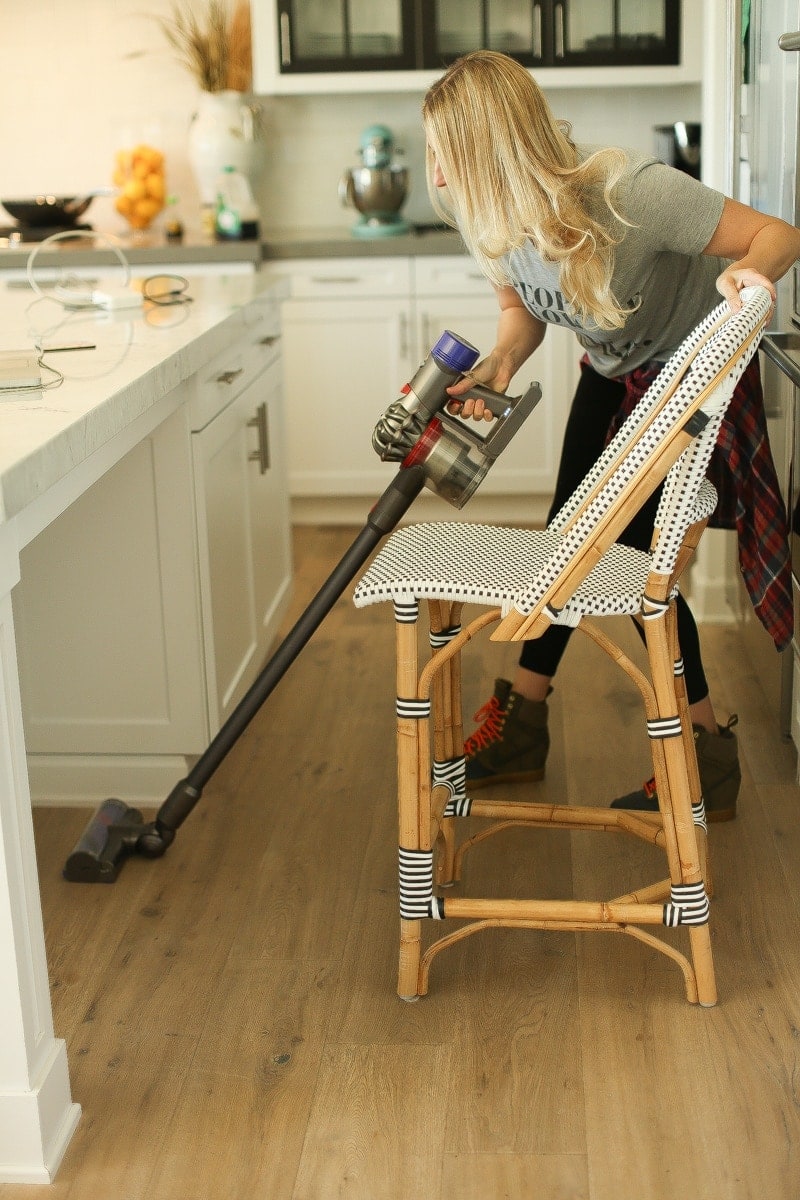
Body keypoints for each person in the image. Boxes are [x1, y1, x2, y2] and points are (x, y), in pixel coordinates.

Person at [421, 49, 800, 821]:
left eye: (446, 157)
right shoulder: (473, 207)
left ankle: (703, 759)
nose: (435, 178)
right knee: (572, 542)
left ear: (494, 152)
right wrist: (499, 362)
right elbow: (521, 311)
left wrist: (748, 278)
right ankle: (526, 722)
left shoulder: (633, 195)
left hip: (688, 376)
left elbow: (779, 234)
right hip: (613, 374)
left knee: (632, 565)